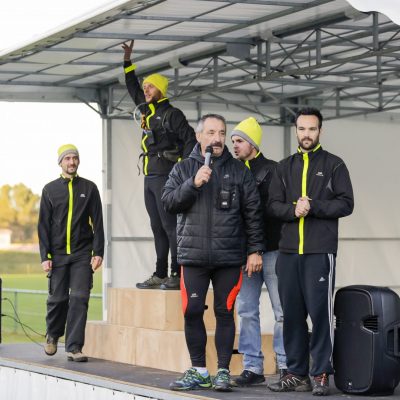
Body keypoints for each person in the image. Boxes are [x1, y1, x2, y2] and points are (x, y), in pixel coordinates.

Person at [162, 114, 264, 392]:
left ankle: (222, 372)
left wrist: (255, 249)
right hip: (193, 257)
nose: (217, 139)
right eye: (210, 133)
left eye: (221, 133)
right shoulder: (183, 169)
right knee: (192, 311)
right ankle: (199, 371)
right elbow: (168, 202)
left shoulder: (239, 170)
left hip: (229, 257)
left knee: (225, 312)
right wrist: (192, 184)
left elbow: (253, 213)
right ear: (199, 136)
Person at [267, 108, 354, 396]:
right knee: (291, 315)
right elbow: (273, 206)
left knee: (320, 315)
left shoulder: (334, 165)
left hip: (320, 253)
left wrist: (313, 205)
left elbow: (346, 204)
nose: (306, 134)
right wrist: (294, 210)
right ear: (296, 131)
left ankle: (320, 374)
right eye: (302, 129)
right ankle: (295, 373)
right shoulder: (283, 167)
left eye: (312, 129)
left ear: (320, 131)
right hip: (288, 254)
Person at [122, 40, 197, 290]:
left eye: (151, 86)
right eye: (145, 86)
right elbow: (132, 88)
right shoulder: (145, 110)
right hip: (149, 177)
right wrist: (127, 62)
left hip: (167, 176)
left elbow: (190, 140)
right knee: (157, 227)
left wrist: (184, 172)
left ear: (161, 89)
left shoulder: (172, 114)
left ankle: (177, 272)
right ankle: (160, 273)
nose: (146, 89)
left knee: (170, 225)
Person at [230, 117, 287, 386]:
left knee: (282, 312)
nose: (234, 145)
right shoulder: (233, 171)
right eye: (233, 141)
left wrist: (259, 250)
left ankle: (287, 366)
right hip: (246, 255)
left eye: (239, 141)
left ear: (252, 143)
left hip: (274, 252)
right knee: (246, 311)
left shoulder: (274, 170)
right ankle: (252, 368)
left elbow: (273, 214)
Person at [38, 144, 104, 362]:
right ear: (60, 162)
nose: (72, 162)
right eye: (67, 158)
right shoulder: (50, 190)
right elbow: (43, 226)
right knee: (57, 299)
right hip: (57, 255)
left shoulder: (90, 188)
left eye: (74, 158)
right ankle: (53, 335)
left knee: (79, 297)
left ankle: (74, 347)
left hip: (81, 253)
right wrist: (44, 256)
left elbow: (98, 222)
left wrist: (98, 251)